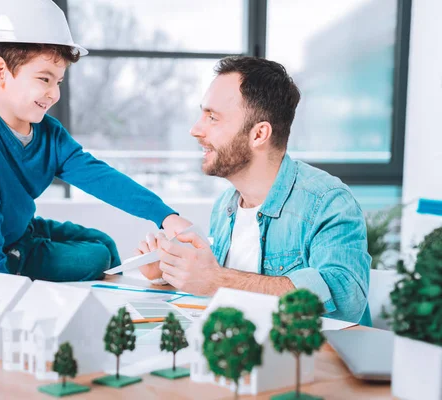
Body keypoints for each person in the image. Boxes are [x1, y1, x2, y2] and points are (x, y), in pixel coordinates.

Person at [0, 0, 190, 282]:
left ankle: (113, 293)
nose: (54, 94)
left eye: (58, 82)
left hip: (22, 232)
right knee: (96, 258)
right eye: (44, 79)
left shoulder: (50, 133)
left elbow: (100, 177)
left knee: (104, 243)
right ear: (0, 72)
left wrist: (164, 215)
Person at [138, 56, 371, 324]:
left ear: (259, 134)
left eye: (212, 117)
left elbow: (346, 299)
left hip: (305, 362)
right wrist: (168, 272)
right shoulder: (225, 206)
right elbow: (224, 290)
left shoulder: (328, 202)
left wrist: (216, 280)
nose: (195, 129)